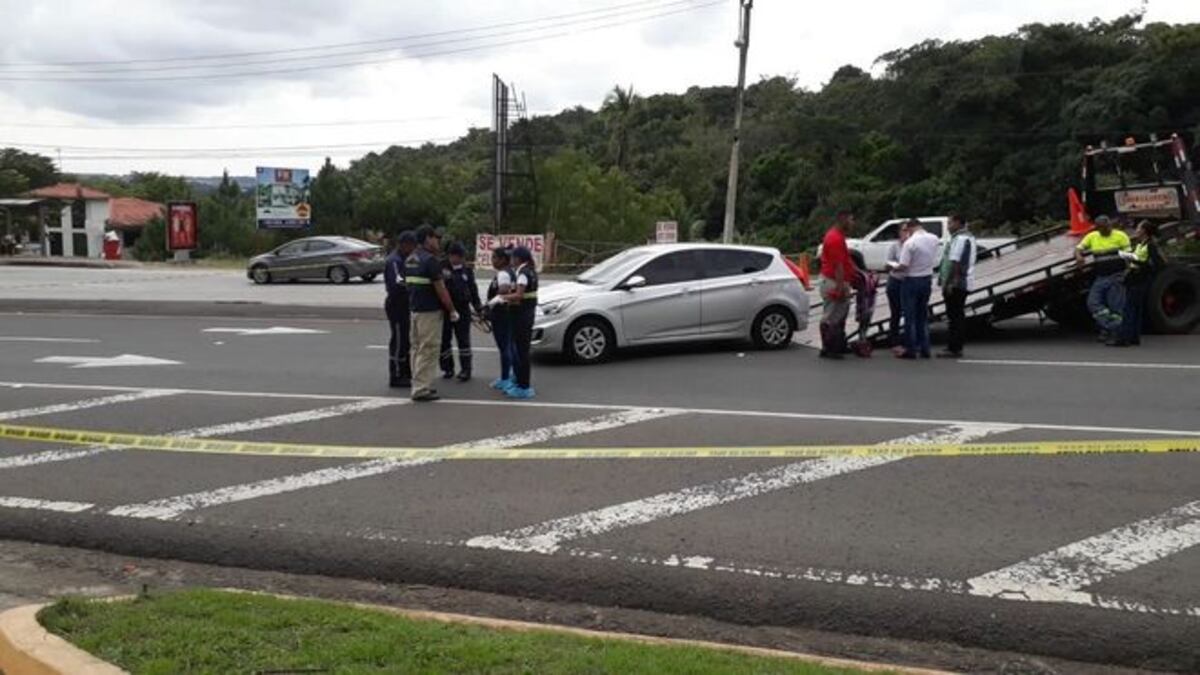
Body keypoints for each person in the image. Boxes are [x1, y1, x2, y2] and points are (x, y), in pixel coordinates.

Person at [405, 225, 459, 402]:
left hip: (415, 310)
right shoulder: (431, 261)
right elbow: (441, 289)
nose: (438, 241)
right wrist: (451, 310)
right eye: (436, 238)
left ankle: (417, 382)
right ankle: (421, 388)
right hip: (429, 311)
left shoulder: (410, 258)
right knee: (428, 349)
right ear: (428, 239)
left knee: (416, 348)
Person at [1074, 215, 1132, 341]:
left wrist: (1127, 273)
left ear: (1110, 225)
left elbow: (1128, 257)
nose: (1105, 230)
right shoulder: (1092, 236)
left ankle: (1113, 332)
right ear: (1097, 228)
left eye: (1106, 227)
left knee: (1116, 307)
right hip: (1101, 277)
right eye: (1101, 228)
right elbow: (1079, 248)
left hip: (1117, 276)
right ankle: (1110, 327)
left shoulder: (1120, 236)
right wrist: (1079, 256)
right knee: (1093, 303)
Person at [890, 218, 940, 359]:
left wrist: (893, 267)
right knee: (922, 316)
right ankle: (925, 348)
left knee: (910, 317)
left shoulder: (910, 243)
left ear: (911, 228)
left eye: (907, 229)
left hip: (911, 280)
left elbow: (904, 265)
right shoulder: (934, 238)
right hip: (927, 279)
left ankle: (911, 349)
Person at [1111, 221, 1165, 347]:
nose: (1136, 230)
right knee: (1135, 309)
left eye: (1138, 228)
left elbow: (1157, 264)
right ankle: (1134, 337)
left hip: (1140, 280)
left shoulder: (1150, 246)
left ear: (1144, 231)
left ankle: (1124, 338)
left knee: (1129, 309)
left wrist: (1138, 263)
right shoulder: (1141, 244)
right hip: (1135, 279)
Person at [439, 242, 483, 381]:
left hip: (463, 309)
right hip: (445, 309)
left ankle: (466, 370)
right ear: (451, 256)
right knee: (444, 340)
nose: (459, 259)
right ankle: (447, 368)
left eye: (461, 256)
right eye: (456, 256)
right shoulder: (442, 268)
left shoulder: (467, 271)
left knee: (463, 340)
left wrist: (478, 307)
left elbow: (473, 290)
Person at [818, 210, 857, 359]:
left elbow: (845, 260)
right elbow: (838, 266)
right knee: (832, 316)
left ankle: (837, 344)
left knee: (839, 314)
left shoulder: (838, 236)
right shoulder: (834, 239)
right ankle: (829, 348)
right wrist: (840, 288)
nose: (853, 223)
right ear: (843, 220)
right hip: (834, 281)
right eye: (851, 220)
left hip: (836, 280)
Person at [500, 246, 538, 399]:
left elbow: (519, 295)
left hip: (522, 315)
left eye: (512, 257)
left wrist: (502, 298)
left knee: (522, 352)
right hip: (526, 314)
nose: (511, 260)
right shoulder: (530, 270)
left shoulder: (523, 273)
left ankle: (523, 385)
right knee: (521, 350)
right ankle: (520, 380)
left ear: (518, 258)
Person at [936, 214, 977, 358]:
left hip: (957, 283)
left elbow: (955, 263)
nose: (948, 226)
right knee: (957, 315)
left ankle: (954, 347)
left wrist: (949, 282)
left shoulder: (960, 239)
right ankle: (956, 346)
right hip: (962, 282)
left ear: (959, 223)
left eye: (950, 223)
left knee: (954, 316)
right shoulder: (967, 237)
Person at [384, 231, 416, 388]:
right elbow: (398, 283)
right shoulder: (394, 261)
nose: (413, 249)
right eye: (411, 246)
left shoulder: (405, 259)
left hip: (405, 304)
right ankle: (396, 375)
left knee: (405, 340)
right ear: (404, 244)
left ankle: (405, 371)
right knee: (398, 340)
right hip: (396, 304)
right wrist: (413, 286)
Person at [483, 247, 518, 390]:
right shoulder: (511, 272)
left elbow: (503, 289)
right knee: (510, 346)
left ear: (503, 259)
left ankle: (505, 378)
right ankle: (514, 375)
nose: (492, 261)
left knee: (505, 347)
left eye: (494, 258)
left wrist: (489, 304)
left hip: (502, 314)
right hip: (509, 313)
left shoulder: (503, 273)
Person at [884, 221, 913, 347]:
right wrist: (893, 266)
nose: (906, 233)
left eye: (908, 230)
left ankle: (909, 339)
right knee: (895, 312)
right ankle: (893, 339)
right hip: (895, 280)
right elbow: (888, 264)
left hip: (909, 280)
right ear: (899, 232)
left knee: (909, 312)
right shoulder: (895, 246)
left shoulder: (913, 245)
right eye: (903, 230)